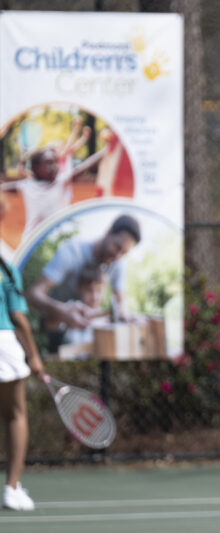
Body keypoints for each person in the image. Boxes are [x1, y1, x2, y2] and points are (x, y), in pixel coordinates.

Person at [26, 214, 140, 353]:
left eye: (124, 253)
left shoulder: (117, 263)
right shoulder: (71, 252)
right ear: (108, 232)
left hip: (89, 337)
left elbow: (120, 303)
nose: (117, 256)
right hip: (58, 332)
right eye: (117, 247)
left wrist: (128, 316)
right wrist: (62, 311)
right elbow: (33, 294)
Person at [0, 190, 45, 511]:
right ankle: (12, 488)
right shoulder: (5, 268)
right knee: (15, 414)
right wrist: (34, 355)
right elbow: (18, 318)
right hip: (3, 344)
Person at [2, 116, 107, 241]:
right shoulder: (25, 185)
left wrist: (107, 149)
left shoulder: (61, 181)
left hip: (58, 240)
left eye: (55, 162)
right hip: (32, 242)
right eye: (48, 163)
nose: (54, 167)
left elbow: (85, 165)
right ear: (36, 168)